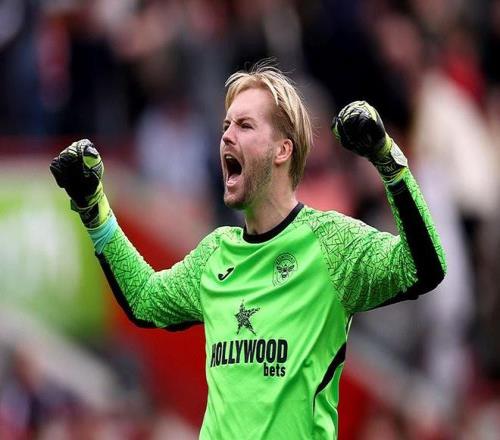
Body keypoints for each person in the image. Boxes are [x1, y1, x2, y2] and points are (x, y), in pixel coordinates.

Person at [49, 63, 446, 439]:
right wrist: (94, 209)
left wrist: (388, 162)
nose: (226, 135)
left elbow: (423, 267)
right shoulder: (215, 254)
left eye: (244, 125)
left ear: (282, 150)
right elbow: (145, 299)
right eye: (225, 125)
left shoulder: (331, 243)